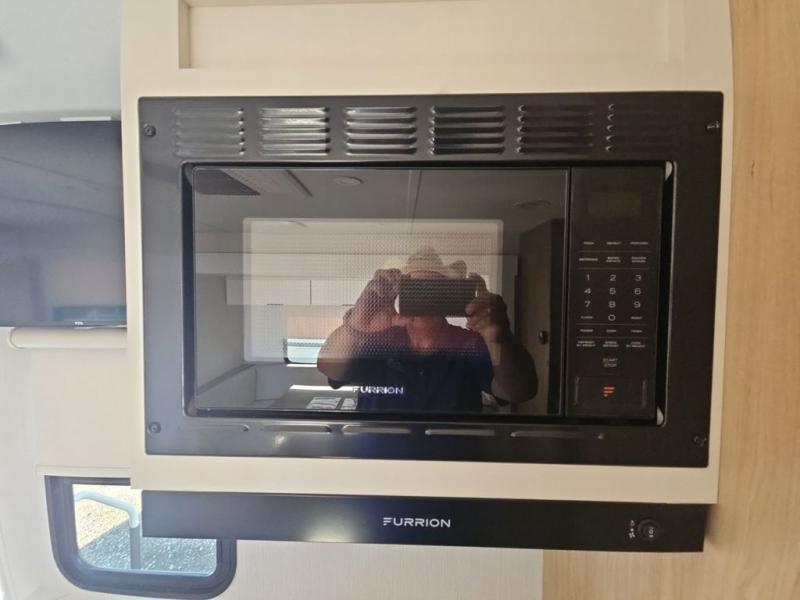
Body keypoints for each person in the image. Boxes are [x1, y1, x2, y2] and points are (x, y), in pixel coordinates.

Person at [317, 247, 537, 412]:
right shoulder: (375, 339)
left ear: (448, 294)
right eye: (414, 288)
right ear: (400, 293)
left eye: (434, 288)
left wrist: (499, 338)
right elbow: (330, 369)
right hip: (378, 458)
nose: (424, 296)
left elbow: (519, 392)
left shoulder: (471, 343)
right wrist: (357, 325)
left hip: (453, 459)